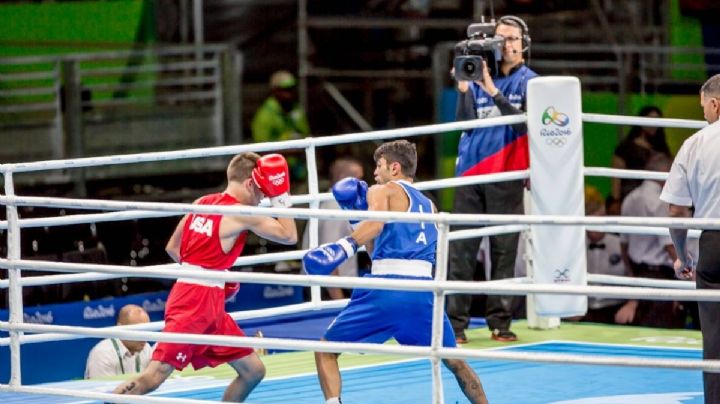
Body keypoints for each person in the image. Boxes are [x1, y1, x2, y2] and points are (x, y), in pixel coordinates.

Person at [303, 140, 488, 404]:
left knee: (325, 350)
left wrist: (343, 247)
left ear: (395, 167)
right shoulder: (429, 205)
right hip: (424, 293)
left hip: (386, 289)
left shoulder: (383, 190)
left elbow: (376, 226)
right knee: (455, 362)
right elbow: (379, 249)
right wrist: (355, 217)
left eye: (379, 167)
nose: (375, 174)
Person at [111, 152, 298, 401]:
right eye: (262, 191)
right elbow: (289, 236)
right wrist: (279, 194)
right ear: (250, 183)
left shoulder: (202, 203)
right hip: (194, 305)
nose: (263, 197)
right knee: (153, 377)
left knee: (253, 371)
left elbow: (173, 248)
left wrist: (213, 274)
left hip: (205, 300)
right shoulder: (241, 212)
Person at [447, 15, 538, 343]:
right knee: (461, 253)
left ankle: (500, 324)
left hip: (507, 174)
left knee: (503, 252)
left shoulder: (532, 82)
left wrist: (492, 91)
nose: (505, 45)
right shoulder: (475, 73)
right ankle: (455, 327)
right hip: (470, 174)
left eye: (511, 38)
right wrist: (463, 89)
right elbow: (464, 125)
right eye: (500, 39)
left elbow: (525, 127)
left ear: (524, 43)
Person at [659, 73, 720, 404]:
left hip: (714, 244)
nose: (704, 117)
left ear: (715, 104)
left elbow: (676, 211)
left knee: (715, 340)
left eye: (704, 109)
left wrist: (683, 255)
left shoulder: (695, 144)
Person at [621, 153, 686, 328]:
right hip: (660, 275)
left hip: (637, 271)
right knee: (662, 332)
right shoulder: (662, 201)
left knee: (641, 334)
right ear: (667, 173)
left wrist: (631, 272)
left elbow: (623, 243)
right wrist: (688, 274)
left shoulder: (630, 198)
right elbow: (670, 246)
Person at [301, 156, 365, 299]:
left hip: (331, 284)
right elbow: (328, 253)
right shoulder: (334, 207)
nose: (361, 184)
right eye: (357, 179)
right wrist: (338, 299)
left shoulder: (332, 203)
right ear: (343, 179)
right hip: (329, 287)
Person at [582, 187, 637, 325]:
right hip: (583, 310)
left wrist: (632, 304)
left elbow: (634, 276)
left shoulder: (619, 244)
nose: (594, 227)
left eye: (597, 221)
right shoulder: (575, 246)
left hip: (615, 308)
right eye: (590, 222)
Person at [251, 70, 310, 184]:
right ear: (274, 91)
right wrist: (290, 149)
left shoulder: (296, 109)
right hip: (274, 174)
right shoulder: (264, 115)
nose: (290, 92)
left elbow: (306, 134)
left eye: (292, 88)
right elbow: (261, 149)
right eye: (285, 89)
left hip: (299, 169)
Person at [611, 105, 672, 203]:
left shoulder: (661, 148)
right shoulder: (626, 147)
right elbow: (616, 176)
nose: (654, 124)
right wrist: (616, 200)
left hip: (656, 200)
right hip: (630, 198)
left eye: (657, 121)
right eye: (651, 119)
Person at [84, 304, 153, 379]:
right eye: (138, 332)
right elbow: (103, 389)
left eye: (147, 331)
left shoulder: (146, 349)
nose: (144, 338)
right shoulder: (103, 353)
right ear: (121, 329)